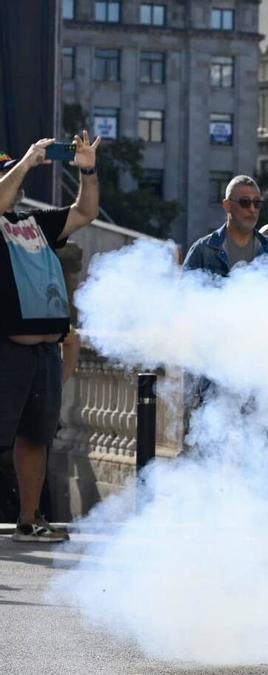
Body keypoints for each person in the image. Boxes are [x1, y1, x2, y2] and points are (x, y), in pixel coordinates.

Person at [0, 132, 101, 542]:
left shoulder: (33, 223)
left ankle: (28, 518)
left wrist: (88, 169)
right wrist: (24, 162)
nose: (14, 179)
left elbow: (85, 212)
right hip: (8, 350)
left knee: (36, 438)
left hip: (44, 351)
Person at [183, 176, 268, 276]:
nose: (252, 209)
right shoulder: (203, 250)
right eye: (245, 202)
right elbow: (186, 289)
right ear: (227, 205)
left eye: (257, 203)